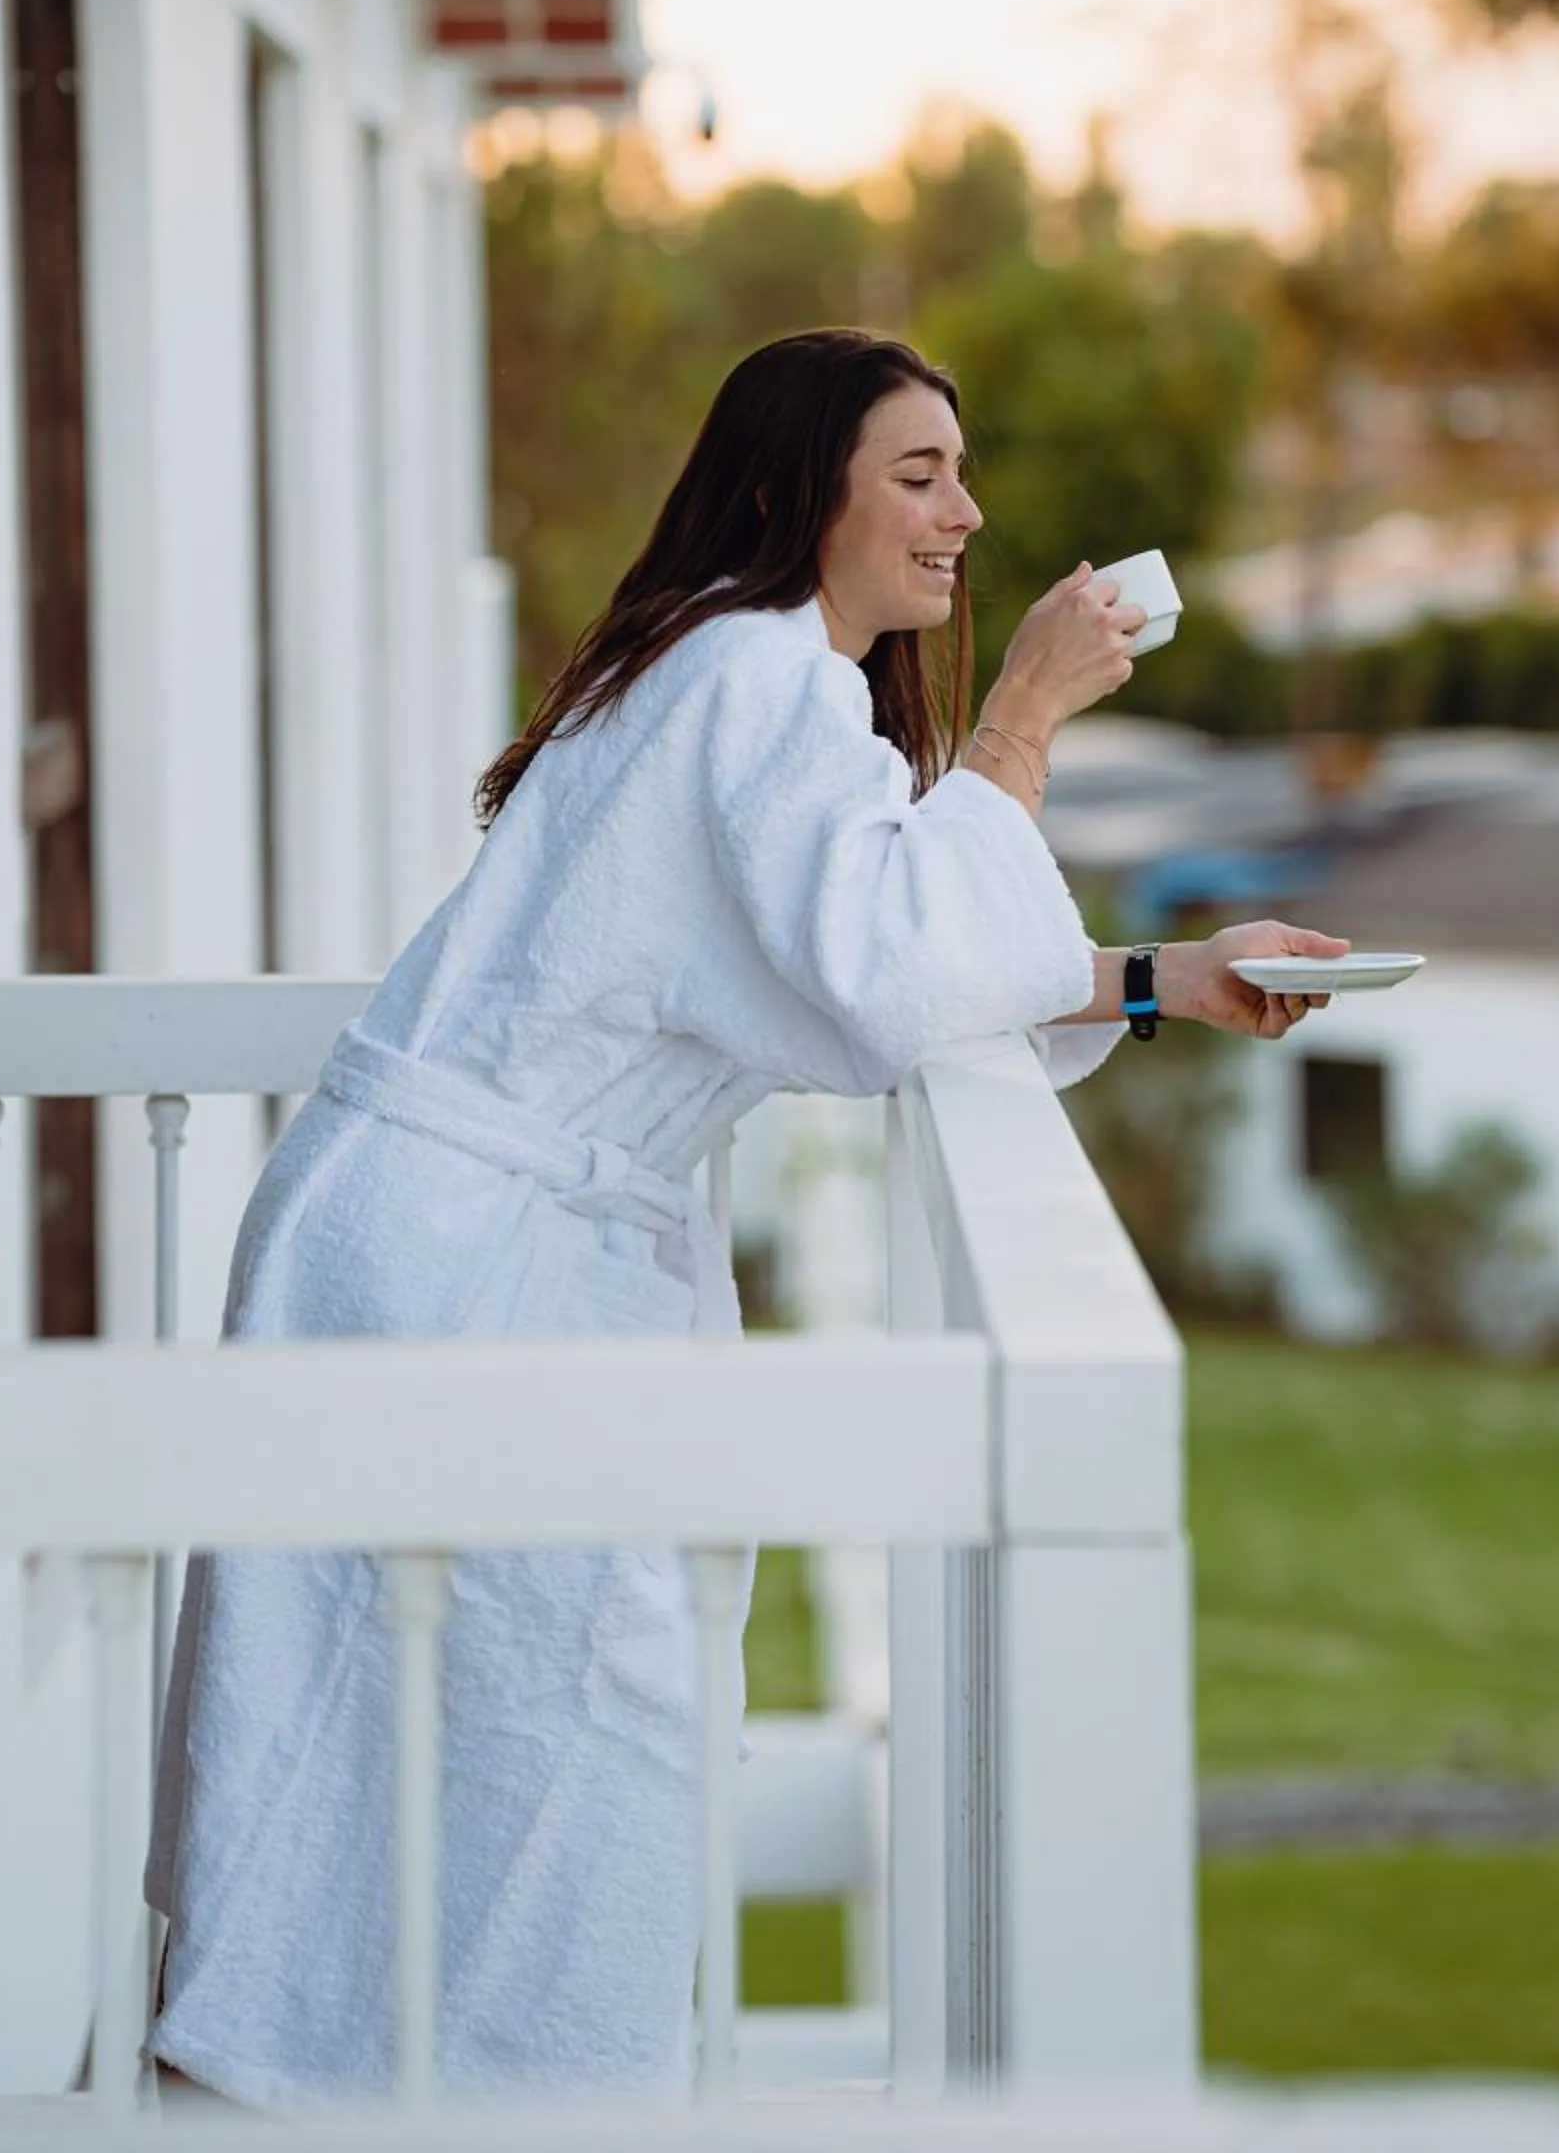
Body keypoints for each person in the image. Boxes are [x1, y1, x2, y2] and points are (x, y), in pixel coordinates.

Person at [144, 328, 1342, 2109]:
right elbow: (885, 970)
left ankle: (405, 2096)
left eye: (962, 471)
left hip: (471, 1250)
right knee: (489, 1744)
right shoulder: (748, 674)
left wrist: (1167, 979)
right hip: (463, 1268)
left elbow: (865, 954)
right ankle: (427, 2107)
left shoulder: (742, 670)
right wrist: (1015, 719)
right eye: (917, 474)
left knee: (466, 1752)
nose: (966, 513)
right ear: (802, 491)